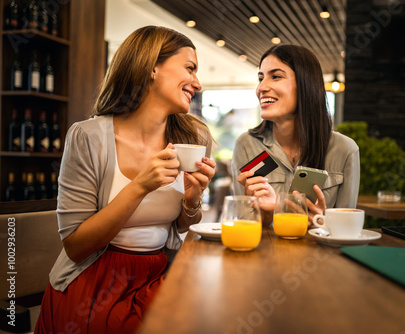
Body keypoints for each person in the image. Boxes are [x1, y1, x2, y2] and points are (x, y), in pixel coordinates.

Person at [35, 26, 215, 333]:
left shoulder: (191, 138)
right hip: (95, 280)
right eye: (190, 68)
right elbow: (76, 247)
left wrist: (192, 200)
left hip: (159, 273)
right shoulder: (88, 137)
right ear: (151, 68)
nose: (197, 83)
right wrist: (140, 187)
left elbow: (181, 226)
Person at [231, 44, 360, 226]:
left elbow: (348, 229)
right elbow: (243, 223)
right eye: (260, 78)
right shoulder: (246, 145)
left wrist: (320, 225)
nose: (261, 87)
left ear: (306, 85)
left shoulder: (345, 149)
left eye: (276, 77)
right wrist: (268, 215)